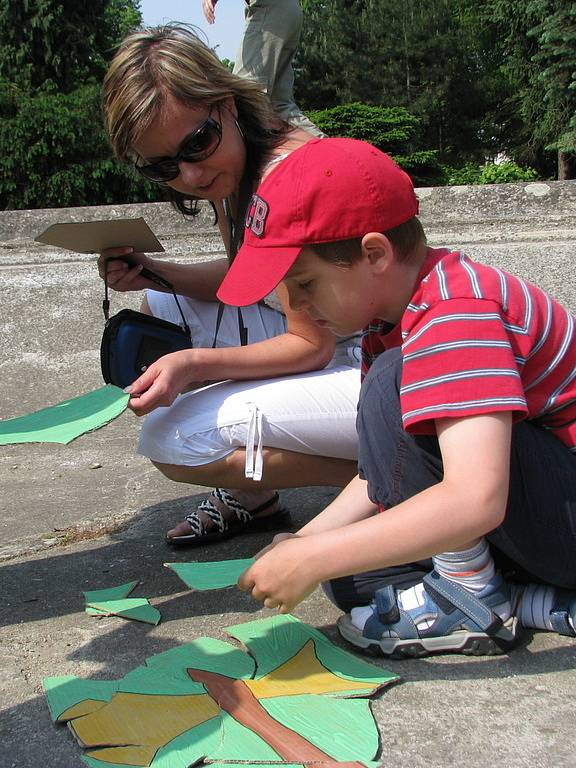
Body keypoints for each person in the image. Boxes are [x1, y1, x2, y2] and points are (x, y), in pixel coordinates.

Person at [215, 137, 576, 658]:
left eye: (306, 283)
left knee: (389, 384)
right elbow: (385, 473)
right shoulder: (395, 322)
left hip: (559, 510)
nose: (292, 304)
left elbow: (476, 498)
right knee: (352, 579)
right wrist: (305, 544)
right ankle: (529, 599)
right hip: (545, 515)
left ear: (374, 253)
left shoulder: (455, 312)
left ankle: (475, 597)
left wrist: (314, 558)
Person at [99, 24, 360, 546]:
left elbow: (311, 344)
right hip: (333, 343)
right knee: (159, 305)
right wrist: (156, 271)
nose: (190, 176)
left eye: (198, 143)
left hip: (376, 362)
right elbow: (250, 278)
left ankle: (398, 480)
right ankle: (255, 495)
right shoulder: (236, 169)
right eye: (163, 167)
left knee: (171, 439)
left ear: (226, 103)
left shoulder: (286, 176)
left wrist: (193, 365)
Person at [201, 0, 323, 137]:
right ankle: (331, 151)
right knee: (279, 108)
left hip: (268, 10)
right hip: (286, 10)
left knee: (242, 100)